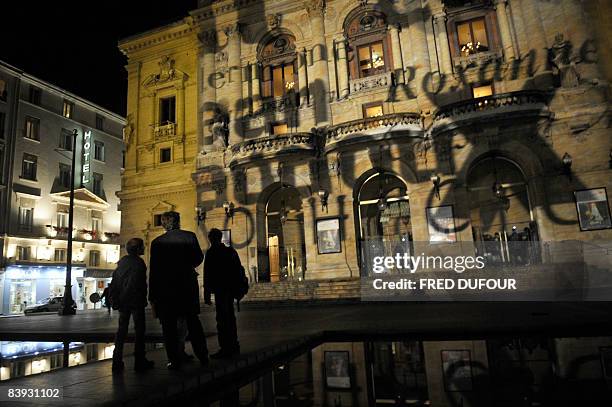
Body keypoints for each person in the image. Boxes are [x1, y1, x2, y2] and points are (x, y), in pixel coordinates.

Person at [149, 211, 209, 369]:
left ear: (163, 224)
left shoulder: (157, 242)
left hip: (165, 290)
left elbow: (154, 270)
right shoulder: (189, 237)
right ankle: (202, 355)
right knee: (193, 322)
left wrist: (152, 295)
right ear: (178, 221)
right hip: (186, 286)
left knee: (168, 327)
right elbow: (198, 258)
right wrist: (186, 265)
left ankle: (174, 360)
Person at [111, 238, 154, 373]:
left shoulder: (122, 262)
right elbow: (139, 283)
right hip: (135, 301)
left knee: (121, 330)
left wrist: (116, 299)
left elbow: (115, 282)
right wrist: (144, 298)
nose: (144, 248)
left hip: (123, 301)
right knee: (140, 330)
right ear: (137, 249)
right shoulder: (139, 263)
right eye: (142, 246)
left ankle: (116, 360)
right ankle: (139, 360)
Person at [204, 228, 242, 359]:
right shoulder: (230, 251)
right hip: (230, 289)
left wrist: (207, 293)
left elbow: (207, 274)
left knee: (222, 319)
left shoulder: (211, 253)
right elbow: (238, 269)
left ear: (211, 239)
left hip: (220, 290)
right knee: (230, 317)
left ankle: (225, 348)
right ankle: (234, 345)